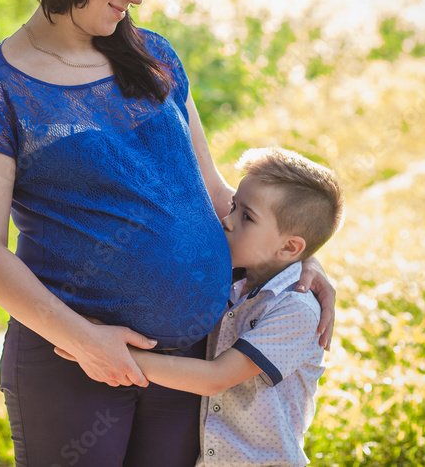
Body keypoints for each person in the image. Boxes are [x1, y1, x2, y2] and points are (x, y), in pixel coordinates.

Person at [0, 0, 336, 467]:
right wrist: (85, 342)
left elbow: (212, 191)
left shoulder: (155, 58)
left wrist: (298, 261)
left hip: (191, 356)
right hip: (73, 365)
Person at [110, 147, 344, 466]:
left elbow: (216, 378)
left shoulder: (296, 309)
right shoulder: (232, 280)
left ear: (290, 247)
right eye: (234, 206)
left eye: (246, 217)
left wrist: (117, 355)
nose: (226, 220)